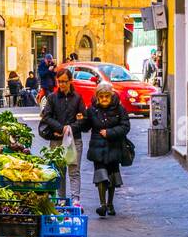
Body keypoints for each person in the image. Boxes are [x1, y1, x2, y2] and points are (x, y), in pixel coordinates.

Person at [81, 83, 131, 217]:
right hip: (98, 147)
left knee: (112, 176)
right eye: (101, 96)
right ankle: (102, 204)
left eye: (106, 96)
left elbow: (125, 126)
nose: (104, 99)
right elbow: (86, 126)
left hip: (114, 146)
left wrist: (110, 132)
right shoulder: (92, 110)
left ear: (111, 96)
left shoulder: (119, 109)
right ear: (97, 97)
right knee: (101, 175)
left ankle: (110, 204)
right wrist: (81, 120)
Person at [39, 67, 86, 204]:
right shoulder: (52, 98)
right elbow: (46, 116)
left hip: (74, 139)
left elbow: (83, 118)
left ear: (70, 81)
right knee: (60, 171)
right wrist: (60, 128)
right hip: (57, 139)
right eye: (59, 82)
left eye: (64, 81)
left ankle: (75, 199)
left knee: (74, 169)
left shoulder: (77, 98)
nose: (62, 85)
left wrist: (70, 128)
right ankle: (61, 200)